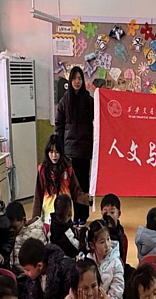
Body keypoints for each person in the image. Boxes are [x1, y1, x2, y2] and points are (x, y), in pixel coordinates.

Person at [56, 67, 94, 225]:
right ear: (70, 80)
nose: (77, 81)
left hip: (84, 148)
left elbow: (98, 119)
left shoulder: (88, 100)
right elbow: (59, 126)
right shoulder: (64, 100)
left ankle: (83, 216)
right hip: (69, 149)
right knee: (70, 184)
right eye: (74, 78)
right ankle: (71, 215)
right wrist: (59, 147)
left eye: (79, 78)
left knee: (84, 183)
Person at [32, 134, 89, 223]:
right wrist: (35, 219)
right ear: (47, 152)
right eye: (51, 152)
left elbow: (75, 192)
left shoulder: (68, 169)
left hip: (66, 213)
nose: (54, 155)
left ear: (61, 153)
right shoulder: (42, 170)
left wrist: (87, 199)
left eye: (57, 152)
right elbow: (38, 196)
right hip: (48, 215)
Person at [80, 217, 125, 299]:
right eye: (102, 242)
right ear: (92, 245)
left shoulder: (116, 263)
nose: (107, 244)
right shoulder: (87, 260)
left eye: (108, 239)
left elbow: (118, 288)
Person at [6, 201, 47, 274]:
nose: (12, 231)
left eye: (15, 228)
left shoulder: (35, 233)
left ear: (24, 220)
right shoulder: (13, 233)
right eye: (9, 228)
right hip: (15, 272)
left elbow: (40, 259)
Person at [49, 194, 81, 258]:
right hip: (66, 259)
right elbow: (78, 247)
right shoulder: (67, 231)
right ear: (70, 212)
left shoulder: (52, 223)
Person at [101, 193, 126, 261]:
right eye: (105, 213)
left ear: (119, 214)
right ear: (101, 213)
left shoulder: (121, 233)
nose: (109, 216)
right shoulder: (97, 232)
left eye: (112, 212)